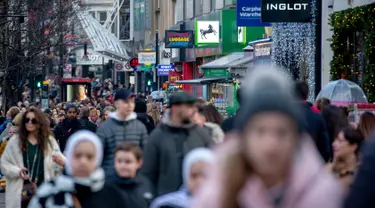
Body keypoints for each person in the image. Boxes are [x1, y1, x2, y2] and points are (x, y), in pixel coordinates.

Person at [192, 67, 343, 208]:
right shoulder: (218, 189)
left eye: (282, 132)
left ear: (296, 138)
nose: (271, 144)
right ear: (244, 137)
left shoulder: (321, 192)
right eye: (260, 131)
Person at [28, 130, 128, 208]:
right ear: (69, 156)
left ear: (98, 159)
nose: (83, 161)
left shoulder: (111, 194)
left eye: (89, 156)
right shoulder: (48, 192)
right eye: (77, 155)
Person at [141, 92, 213, 197]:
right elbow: (147, 172)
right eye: (189, 106)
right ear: (175, 107)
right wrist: (150, 198)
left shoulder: (200, 134)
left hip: (195, 199)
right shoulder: (158, 136)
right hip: (165, 199)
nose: (194, 110)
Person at [1, 108, 64, 208]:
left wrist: (62, 163)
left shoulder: (49, 141)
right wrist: (17, 171)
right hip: (20, 190)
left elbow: (59, 162)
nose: (30, 123)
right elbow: (4, 163)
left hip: (43, 189)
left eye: (33, 120)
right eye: (27, 120)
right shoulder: (15, 142)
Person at [97, 88, 148, 176]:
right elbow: (98, 156)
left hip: (134, 179)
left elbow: (145, 155)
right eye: (125, 102)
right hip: (110, 179)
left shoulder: (140, 127)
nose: (129, 105)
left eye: (132, 102)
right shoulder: (105, 128)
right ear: (116, 104)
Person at [295, 81, 331, 162]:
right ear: (307, 96)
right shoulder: (317, 117)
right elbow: (325, 148)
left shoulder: (285, 117)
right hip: (312, 163)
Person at [109, 143, 153, 208]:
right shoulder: (107, 187)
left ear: (139, 163)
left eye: (128, 162)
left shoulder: (147, 186)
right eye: (119, 161)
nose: (122, 166)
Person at [328, 127, 362, 191]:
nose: (334, 144)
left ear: (353, 146)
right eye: (335, 140)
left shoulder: (357, 175)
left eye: (340, 141)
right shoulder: (329, 168)